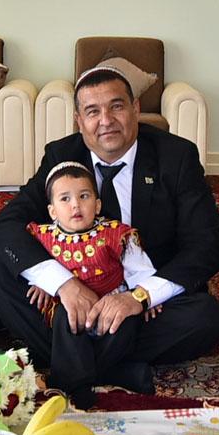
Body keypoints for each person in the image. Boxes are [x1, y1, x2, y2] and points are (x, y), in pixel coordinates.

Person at [0, 66, 219, 394]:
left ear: (136, 109)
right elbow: (8, 225)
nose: (106, 120)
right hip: (67, 302)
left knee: (206, 316)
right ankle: (117, 369)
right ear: (78, 121)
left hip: (140, 300)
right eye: (92, 111)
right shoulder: (61, 156)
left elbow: (205, 247)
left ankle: (68, 367)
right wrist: (64, 285)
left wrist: (136, 298)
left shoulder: (176, 157)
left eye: (117, 106)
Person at [26, 161, 158, 407]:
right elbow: (30, 262)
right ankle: (108, 376)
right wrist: (42, 281)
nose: (75, 204)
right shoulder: (42, 237)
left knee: (127, 322)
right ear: (52, 211)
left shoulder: (117, 234)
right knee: (68, 319)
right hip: (70, 313)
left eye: (84, 196)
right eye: (65, 199)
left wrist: (145, 294)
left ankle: (69, 377)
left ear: (97, 205)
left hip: (110, 307)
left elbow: (139, 268)